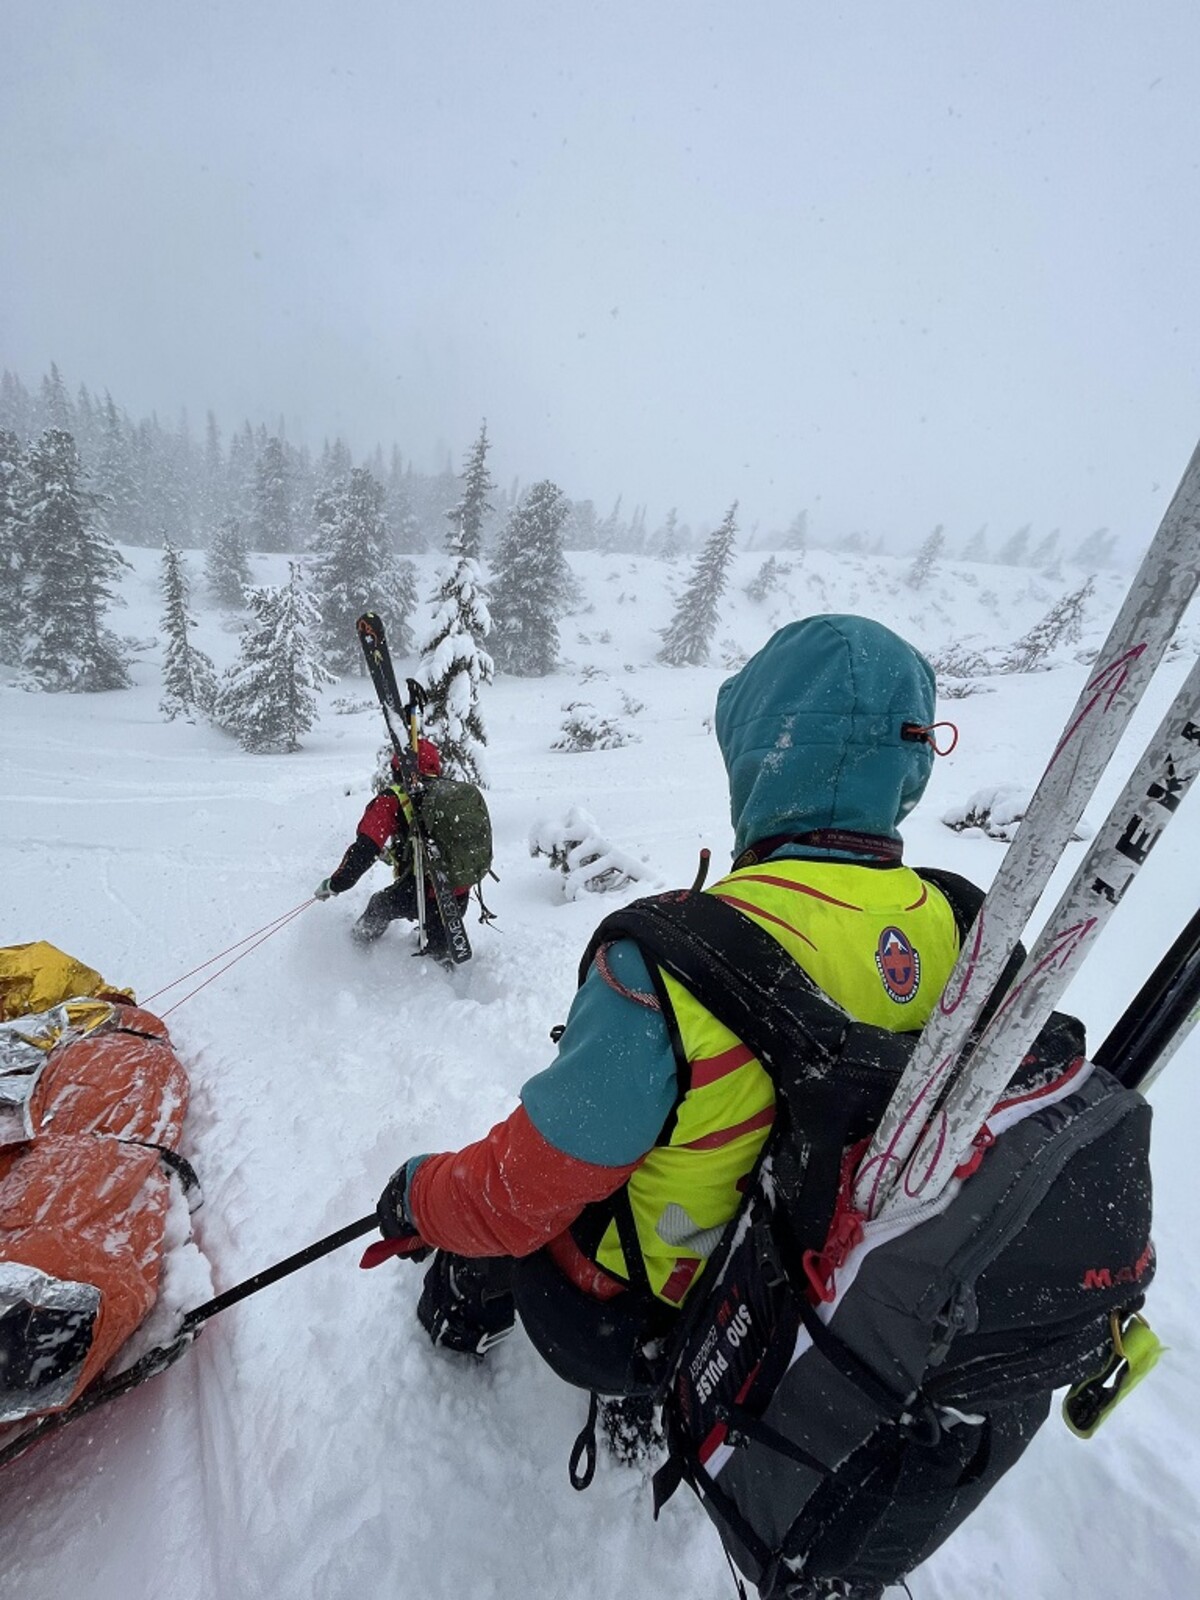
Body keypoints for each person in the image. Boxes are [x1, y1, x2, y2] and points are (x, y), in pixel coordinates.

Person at [372, 615, 962, 1580]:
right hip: (816, 1321)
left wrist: (415, 1194)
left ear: (760, 756)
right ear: (908, 762)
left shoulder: (670, 959)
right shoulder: (963, 929)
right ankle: (666, 1400)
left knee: (492, 1218)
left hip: (630, 1318)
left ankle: (457, 1320)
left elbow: (519, 1193)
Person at [314, 737, 470, 960]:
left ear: (398, 769)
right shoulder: (452, 793)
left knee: (380, 905)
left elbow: (365, 850)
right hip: (458, 894)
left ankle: (353, 950)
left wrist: (336, 883)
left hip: (423, 892)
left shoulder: (394, 798)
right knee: (438, 957)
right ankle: (449, 981)